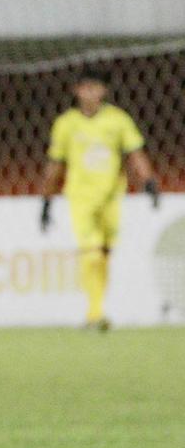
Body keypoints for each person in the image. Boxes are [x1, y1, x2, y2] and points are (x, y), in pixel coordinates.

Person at [40, 69, 158, 330]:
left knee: (103, 253)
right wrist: (46, 200)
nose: (90, 93)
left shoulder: (118, 121)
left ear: (103, 90)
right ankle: (95, 314)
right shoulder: (66, 124)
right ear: (76, 91)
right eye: (85, 87)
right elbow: (56, 164)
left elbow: (134, 153)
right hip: (80, 198)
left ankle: (97, 309)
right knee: (91, 251)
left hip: (112, 197)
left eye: (95, 87)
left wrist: (148, 180)